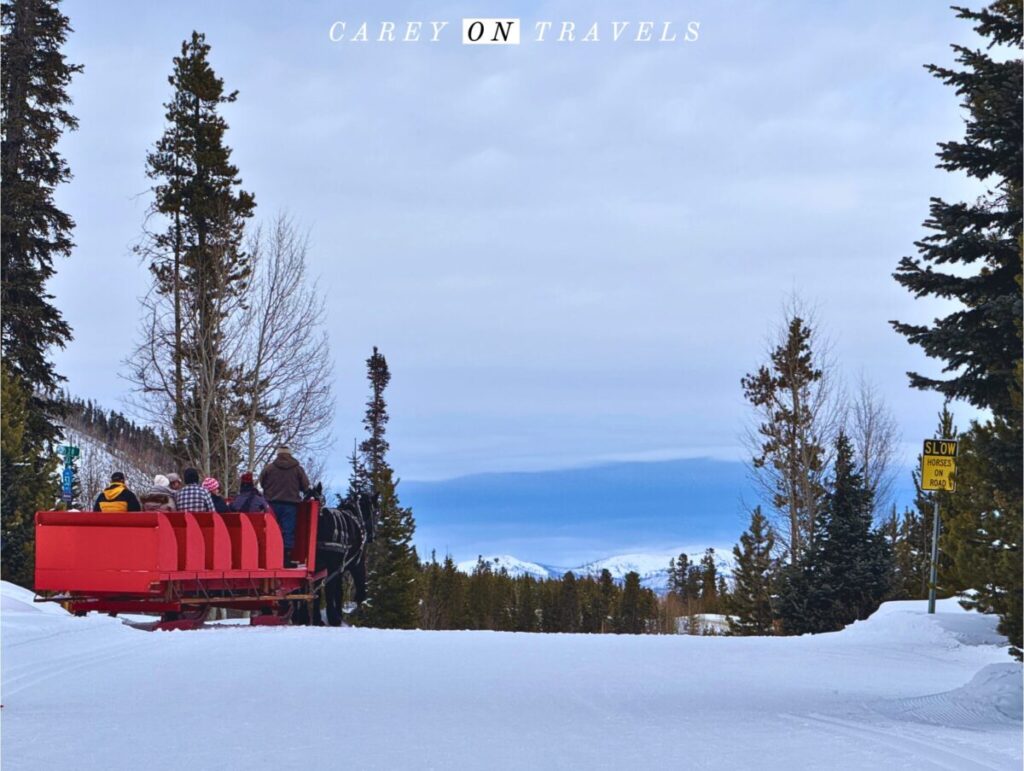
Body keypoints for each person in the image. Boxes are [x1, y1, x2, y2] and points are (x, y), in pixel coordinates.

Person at [259, 446, 310, 555]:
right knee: (288, 530)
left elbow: (262, 482)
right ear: (290, 454)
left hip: (271, 504)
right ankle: (286, 557)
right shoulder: (297, 469)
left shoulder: (269, 468)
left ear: (278, 454)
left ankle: (270, 555)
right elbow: (305, 486)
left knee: (271, 530)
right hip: (290, 505)